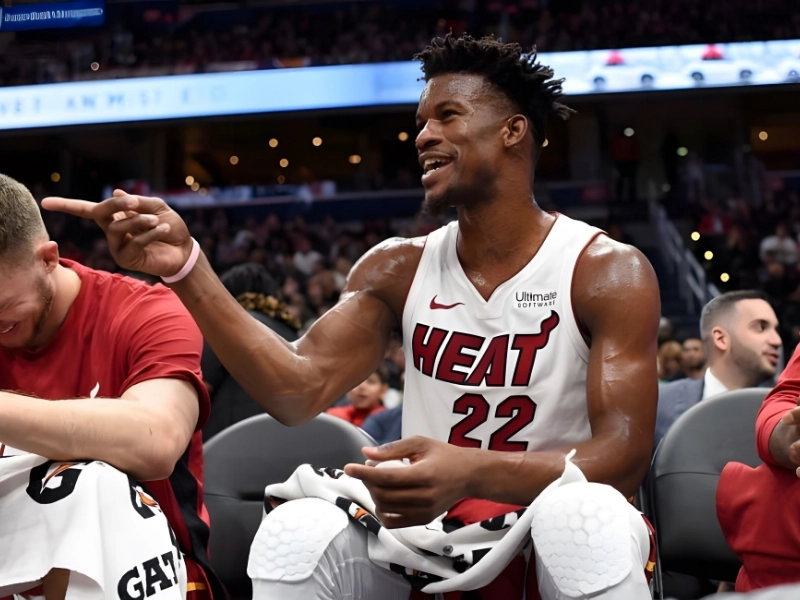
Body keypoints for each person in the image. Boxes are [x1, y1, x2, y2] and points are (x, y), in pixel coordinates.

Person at [44, 33, 660, 600]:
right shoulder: (396, 267)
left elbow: (623, 458)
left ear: (513, 131)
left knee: (585, 516)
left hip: (551, 527)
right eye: (421, 123)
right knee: (298, 531)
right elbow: (294, 389)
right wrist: (187, 268)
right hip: (433, 532)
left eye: (448, 116)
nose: (423, 136)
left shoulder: (604, 269)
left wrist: (474, 470)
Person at [0, 174, 224, 599]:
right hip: (12, 567)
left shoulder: (148, 312)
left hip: (151, 568)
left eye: (4, 308)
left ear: (48, 259)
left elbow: (156, 440)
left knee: (93, 483)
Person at [654, 291, 781, 447]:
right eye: (761, 327)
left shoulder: (788, 409)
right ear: (721, 339)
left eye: (776, 330)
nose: (777, 341)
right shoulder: (660, 402)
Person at [202, 262, 300, 440]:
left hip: (227, 436)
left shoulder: (227, 323)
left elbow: (203, 385)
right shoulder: (291, 331)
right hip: (283, 437)